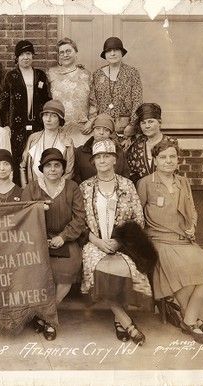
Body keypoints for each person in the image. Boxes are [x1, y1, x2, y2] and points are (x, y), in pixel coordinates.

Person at [137, 138, 203, 346]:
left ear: (178, 160)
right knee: (182, 273)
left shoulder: (183, 182)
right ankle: (192, 320)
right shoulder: (146, 183)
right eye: (163, 157)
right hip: (159, 240)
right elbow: (137, 217)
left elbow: (193, 211)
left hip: (183, 239)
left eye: (172, 156)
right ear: (155, 160)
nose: (168, 161)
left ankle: (189, 318)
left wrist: (193, 226)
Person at [79, 139, 153, 345]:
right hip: (94, 243)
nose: (102, 160)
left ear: (114, 159)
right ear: (93, 162)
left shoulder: (127, 185)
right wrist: (96, 241)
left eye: (106, 156)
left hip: (123, 244)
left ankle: (119, 318)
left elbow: (138, 219)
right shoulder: (85, 187)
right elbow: (79, 222)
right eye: (98, 157)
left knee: (125, 269)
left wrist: (118, 242)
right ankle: (126, 322)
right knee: (102, 272)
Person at [20, 148, 86, 341]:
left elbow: (79, 218)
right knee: (37, 273)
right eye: (48, 165)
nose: (53, 169)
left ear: (63, 168)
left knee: (67, 274)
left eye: (57, 165)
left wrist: (64, 237)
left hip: (66, 239)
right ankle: (47, 315)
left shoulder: (72, 187)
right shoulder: (32, 187)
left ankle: (47, 316)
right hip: (37, 239)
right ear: (42, 168)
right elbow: (22, 215)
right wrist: (38, 215)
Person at [0, 40, 51, 185]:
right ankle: (19, 190)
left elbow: (47, 99)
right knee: (18, 158)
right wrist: (6, 125)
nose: (26, 57)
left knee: (37, 156)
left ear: (32, 56)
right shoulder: (11, 76)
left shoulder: (40, 75)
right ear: (17, 57)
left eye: (28, 53)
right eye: (22, 54)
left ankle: (38, 187)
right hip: (17, 126)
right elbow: (4, 103)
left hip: (38, 125)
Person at [89, 37, 143, 143]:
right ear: (104, 55)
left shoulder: (132, 73)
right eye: (109, 51)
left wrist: (132, 125)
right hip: (103, 128)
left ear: (121, 52)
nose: (112, 53)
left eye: (116, 50)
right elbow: (93, 102)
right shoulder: (97, 74)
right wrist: (94, 124)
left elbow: (138, 101)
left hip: (126, 127)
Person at [47, 37, 93, 147]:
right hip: (58, 128)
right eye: (61, 52)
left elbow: (93, 101)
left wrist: (91, 121)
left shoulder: (86, 75)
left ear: (76, 52)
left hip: (82, 129)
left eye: (68, 51)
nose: (65, 55)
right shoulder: (51, 74)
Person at [20, 99, 74, 187]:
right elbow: (22, 166)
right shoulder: (33, 138)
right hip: (34, 189)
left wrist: (56, 190)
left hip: (57, 191)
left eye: (53, 116)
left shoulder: (67, 141)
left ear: (60, 119)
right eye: (45, 115)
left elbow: (69, 171)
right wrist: (26, 188)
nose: (48, 119)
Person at [72, 113, 130, 184]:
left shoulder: (119, 153)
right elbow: (76, 177)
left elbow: (125, 176)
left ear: (110, 133)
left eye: (106, 130)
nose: (101, 132)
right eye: (98, 128)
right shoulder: (80, 152)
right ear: (93, 130)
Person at [126, 103, 176, 183]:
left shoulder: (171, 142)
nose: (147, 126)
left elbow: (175, 172)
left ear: (159, 122)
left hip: (166, 190)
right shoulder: (137, 145)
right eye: (143, 123)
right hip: (142, 191)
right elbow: (132, 173)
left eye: (151, 122)